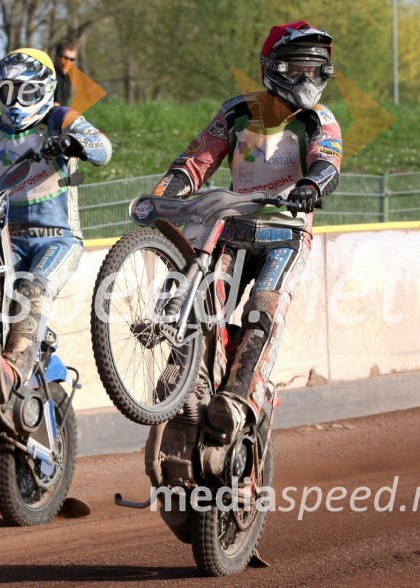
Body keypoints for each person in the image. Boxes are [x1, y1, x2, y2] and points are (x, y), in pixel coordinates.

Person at [151, 21, 343, 445]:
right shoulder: (236, 111)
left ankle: (238, 401)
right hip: (233, 229)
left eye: (316, 70)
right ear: (271, 68)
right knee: (201, 302)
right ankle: (191, 377)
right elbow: (196, 160)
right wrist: (167, 194)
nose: (308, 79)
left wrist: (311, 186)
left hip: (286, 233)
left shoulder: (318, 119)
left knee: (261, 312)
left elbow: (327, 161)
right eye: (297, 70)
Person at [0, 48, 112, 398]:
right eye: (7, 92)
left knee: (32, 290)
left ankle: (13, 368)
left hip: (59, 240)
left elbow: (103, 148)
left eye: (26, 92)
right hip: (9, 241)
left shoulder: (59, 118)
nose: (16, 102)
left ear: (45, 89)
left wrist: (73, 141)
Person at [52, 41, 76, 106]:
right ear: (57, 57)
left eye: (72, 59)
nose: (68, 62)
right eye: (65, 58)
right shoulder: (49, 75)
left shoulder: (68, 78)